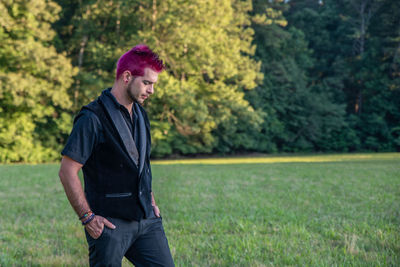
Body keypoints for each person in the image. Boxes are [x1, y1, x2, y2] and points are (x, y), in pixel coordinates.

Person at [58, 44, 175, 267]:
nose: (151, 90)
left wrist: (151, 201)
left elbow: (141, 164)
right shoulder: (92, 118)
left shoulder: (141, 114)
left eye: (153, 84)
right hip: (109, 226)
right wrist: (88, 218)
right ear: (127, 76)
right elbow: (67, 171)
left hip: (147, 221)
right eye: (147, 83)